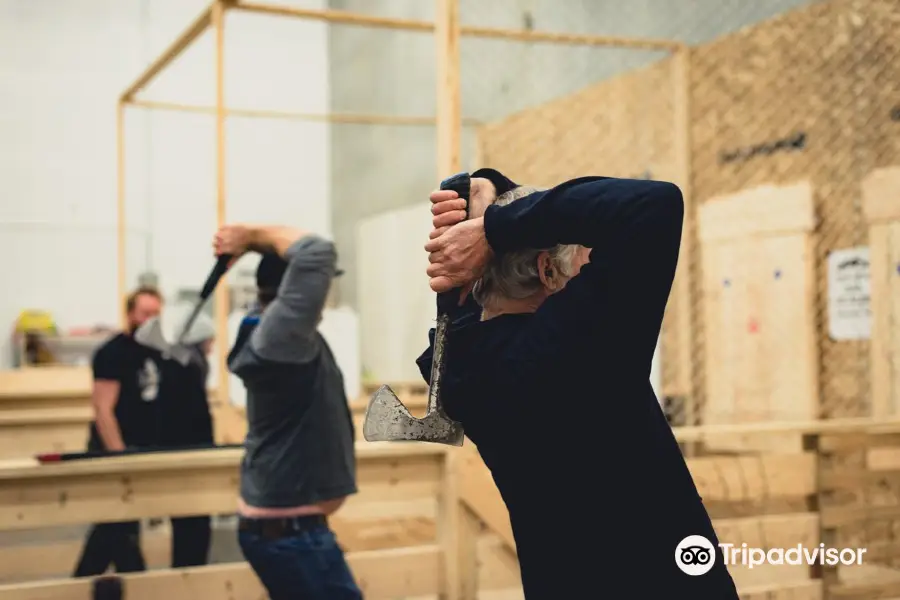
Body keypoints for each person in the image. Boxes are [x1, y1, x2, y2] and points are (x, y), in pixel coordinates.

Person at [417, 170, 739, 599]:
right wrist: (495, 227)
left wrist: (487, 205)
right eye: (584, 259)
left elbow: (457, 298)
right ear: (549, 271)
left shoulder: (460, 363)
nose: (590, 266)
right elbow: (652, 205)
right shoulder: (578, 351)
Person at [216, 223, 360, 600]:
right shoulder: (280, 337)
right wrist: (249, 238)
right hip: (292, 534)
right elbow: (316, 253)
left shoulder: (275, 335)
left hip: (293, 529)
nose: (323, 293)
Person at [73, 288, 216, 576]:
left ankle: (179, 586)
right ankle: (82, 586)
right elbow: (103, 410)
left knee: (188, 525)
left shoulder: (164, 351)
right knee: (114, 531)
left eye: (156, 314)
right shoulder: (113, 353)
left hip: (152, 451)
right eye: (145, 313)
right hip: (118, 450)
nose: (151, 319)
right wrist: (121, 460)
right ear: (130, 315)